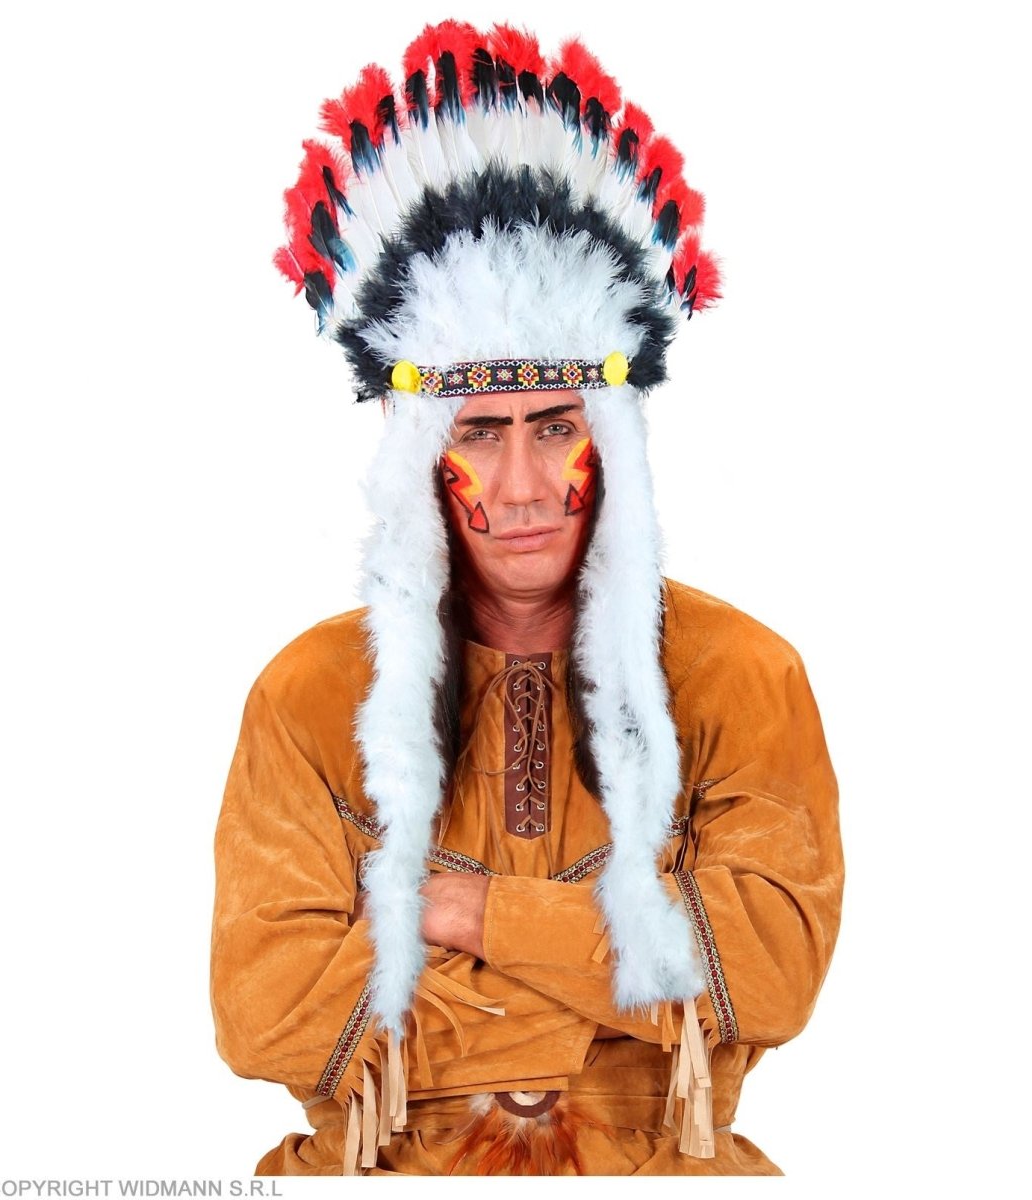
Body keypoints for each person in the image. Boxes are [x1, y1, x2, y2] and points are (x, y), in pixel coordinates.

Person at [210, 20, 843, 1176]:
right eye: (476, 434)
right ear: (418, 457)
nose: (518, 487)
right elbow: (266, 1014)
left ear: (611, 441)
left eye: (555, 428)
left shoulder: (742, 676)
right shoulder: (307, 696)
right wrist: (626, 981)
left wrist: (457, 915)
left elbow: (770, 979)